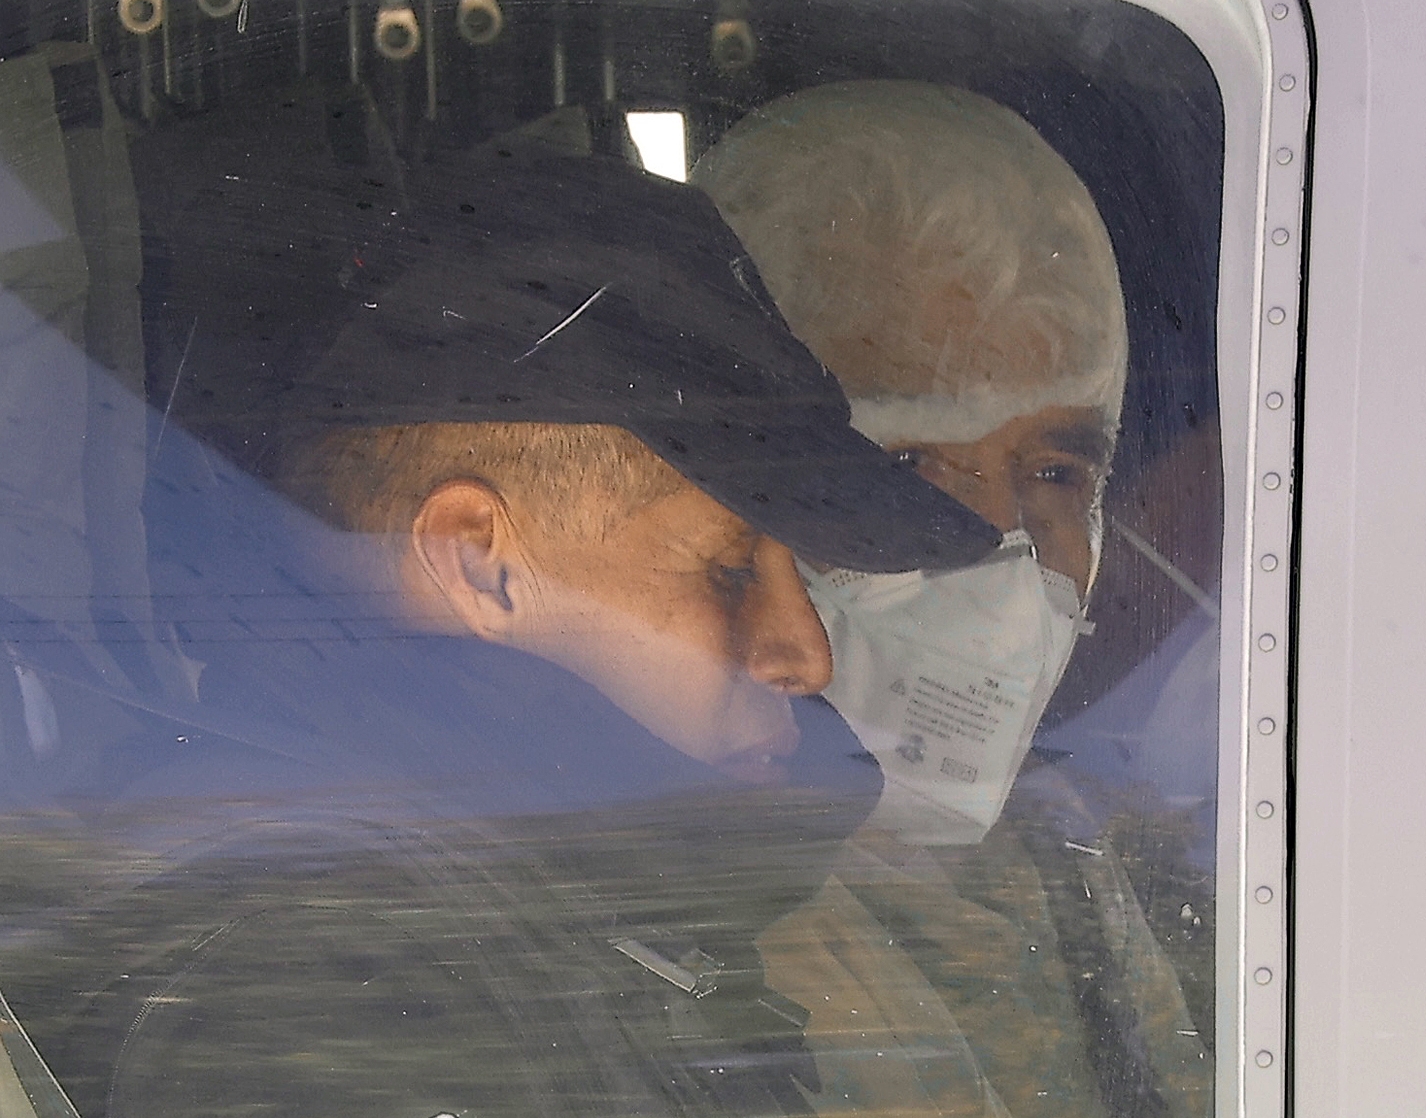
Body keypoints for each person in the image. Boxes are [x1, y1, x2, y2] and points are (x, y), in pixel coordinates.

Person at [0, 108, 1002, 1117]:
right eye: (730, 573)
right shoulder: (315, 993)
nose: (808, 654)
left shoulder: (540, 903)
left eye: (804, 576)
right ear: (479, 565)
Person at [694, 81, 1213, 1117]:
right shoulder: (680, 928)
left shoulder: (1065, 855)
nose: (999, 561)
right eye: (909, 468)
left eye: (1054, 473)